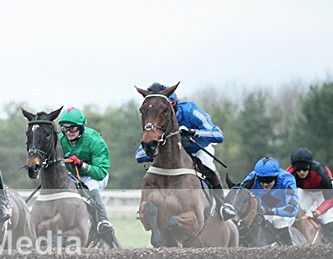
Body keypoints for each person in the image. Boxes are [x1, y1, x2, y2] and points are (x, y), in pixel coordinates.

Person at [135, 83, 231, 203]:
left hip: (198, 150)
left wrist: (193, 132)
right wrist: (152, 150)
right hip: (172, 155)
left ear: (174, 105)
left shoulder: (191, 111)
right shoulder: (158, 124)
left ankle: (223, 205)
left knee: (208, 166)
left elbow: (219, 135)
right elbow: (139, 156)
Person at [58, 107, 120, 247]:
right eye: (64, 129)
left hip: (95, 176)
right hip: (72, 176)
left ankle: (102, 221)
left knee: (90, 184)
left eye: (72, 129)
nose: (68, 133)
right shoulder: (60, 139)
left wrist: (82, 165)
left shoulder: (94, 140)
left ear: (81, 127)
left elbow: (100, 172)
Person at [241, 156, 299, 245]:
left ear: (276, 176)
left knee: (278, 220)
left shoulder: (288, 180)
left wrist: (268, 210)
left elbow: (292, 210)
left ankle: (289, 250)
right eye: (262, 180)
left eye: (268, 180)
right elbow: (239, 194)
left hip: (283, 214)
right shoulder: (252, 177)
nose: (265, 184)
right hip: (262, 213)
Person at [286, 147, 333, 243]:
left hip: (324, 192)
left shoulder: (321, 173)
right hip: (305, 191)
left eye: (305, 168)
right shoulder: (289, 174)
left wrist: (316, 213)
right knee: (295, 215)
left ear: (310, 165)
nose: (301, 172)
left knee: (325, 218)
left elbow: (331, 199)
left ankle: (332, 243)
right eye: (298, 169)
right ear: (293, 167)